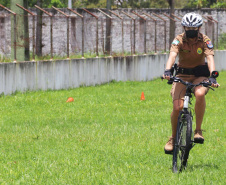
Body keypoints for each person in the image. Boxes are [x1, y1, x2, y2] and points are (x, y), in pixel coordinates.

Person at [162, 12, 220, 154]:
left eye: (193, 29)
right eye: (187, 28)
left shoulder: (205, 40)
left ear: (199, 28)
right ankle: (173, 138)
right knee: (177, 107)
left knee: (200, 93)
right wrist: (168, 71)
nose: (190, 31)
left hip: (199, 76)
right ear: (184, 27)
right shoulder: (179, 40)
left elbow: (210, 58)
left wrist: (212, 76)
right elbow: (173, 55)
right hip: (182, 75)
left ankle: (198, 131)